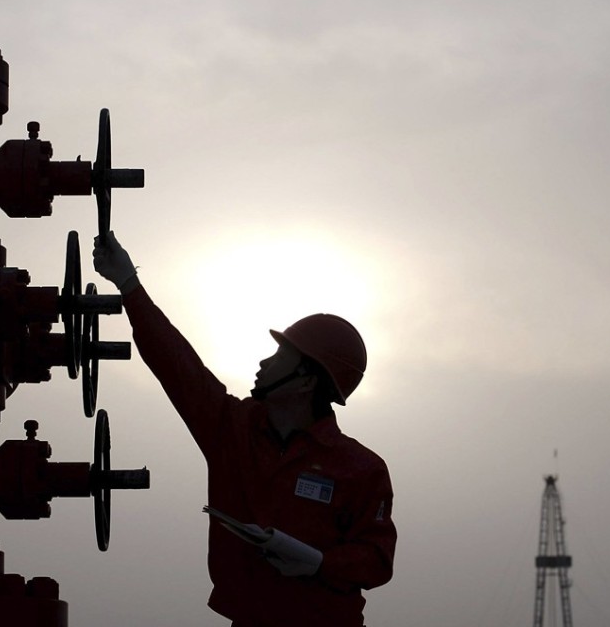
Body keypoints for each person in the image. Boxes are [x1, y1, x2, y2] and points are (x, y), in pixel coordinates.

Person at [93, 232, 396, 627]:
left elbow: (377, 560)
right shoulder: (232, 430)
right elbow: (177, 365)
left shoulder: (361, 469)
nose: (264, 363)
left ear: (307, 381)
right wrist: (127, 282)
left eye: (280, 355)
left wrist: (318, 562)